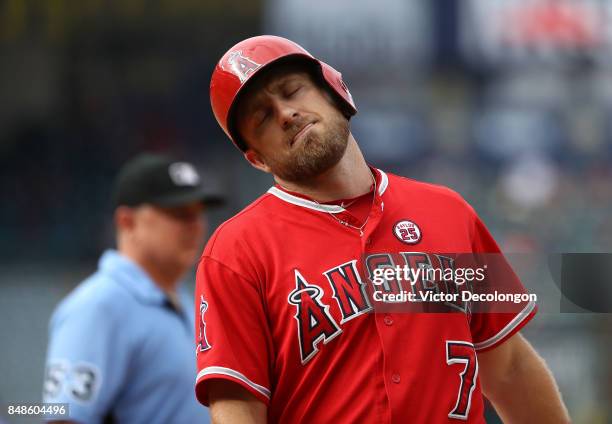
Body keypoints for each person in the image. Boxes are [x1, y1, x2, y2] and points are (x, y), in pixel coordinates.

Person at [195, 35, 570, 423]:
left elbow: (508, 369)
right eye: (262, 117)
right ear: (256, 158)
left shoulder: (448, 212)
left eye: (293, 91)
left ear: (334, 91)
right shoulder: (236, 251)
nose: (285, 113)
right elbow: (237, 409)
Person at [43, 153, 222, 423]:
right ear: (127, 222)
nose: (196, 226)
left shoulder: (190, 301)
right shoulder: (98, 306)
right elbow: (63, 417)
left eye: (199, 213)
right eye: (179, 213)